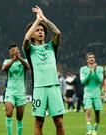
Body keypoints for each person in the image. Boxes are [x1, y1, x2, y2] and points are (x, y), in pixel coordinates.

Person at [23, 6, 65, 135]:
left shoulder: (52, 46)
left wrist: (43, 18)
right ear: (33, 33)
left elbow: (57, 33)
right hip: (39, 88)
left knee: (59, 121)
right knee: (39, 122)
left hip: (54, 87)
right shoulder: (30, 49)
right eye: (37, 30)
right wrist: (37, 21)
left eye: (42, 30)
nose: (40, 32)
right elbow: (26, 39)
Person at [2, 43, 29, 135]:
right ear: (10, 52)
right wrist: (13, 60)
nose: (16, 51)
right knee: (9, 113)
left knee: (19, 117)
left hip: (21, 92)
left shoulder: (23, 61)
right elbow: (4, 69)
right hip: (10, 91)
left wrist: (19, 58)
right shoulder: (6, 61)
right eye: (14, 50)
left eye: (17, 49)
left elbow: (28, 67)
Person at [80, 52, 104, 135]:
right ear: (87, 60)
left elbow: (100, 80)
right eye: (90, 57)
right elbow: (83, 81)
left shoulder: (100, 68)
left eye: (93, 57)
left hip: (97, 94)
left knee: (97, 113)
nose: (91, 59)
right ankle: (89, 130)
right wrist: (90, 72)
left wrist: (95, 71)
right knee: (88, 111)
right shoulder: (83, 69)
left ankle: (95, 130)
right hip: (88, 94)